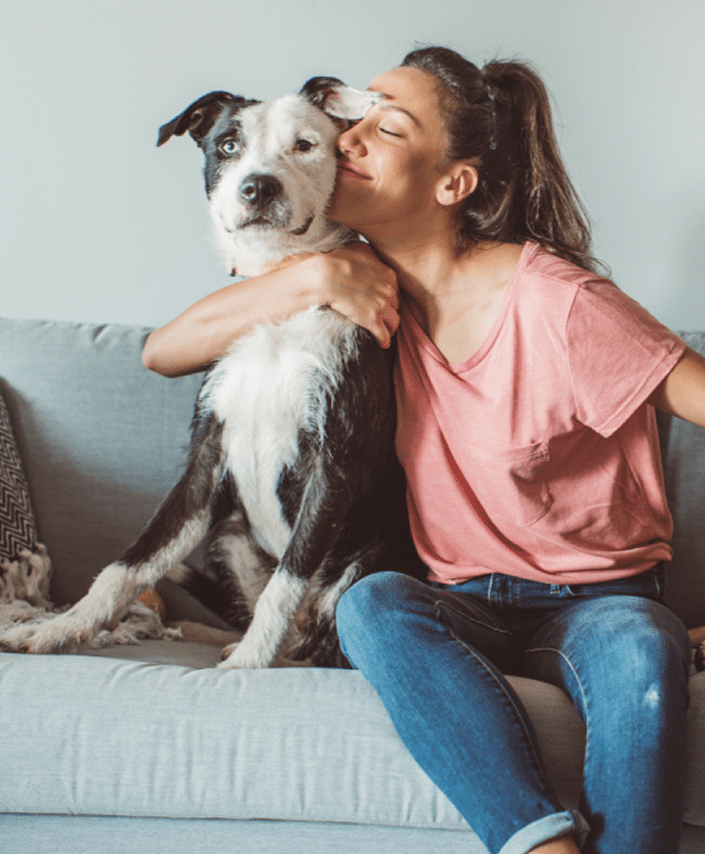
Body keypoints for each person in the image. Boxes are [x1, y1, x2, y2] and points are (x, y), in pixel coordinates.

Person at [143, 47, 705, 854]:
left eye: (387, 126)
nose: (351, 139)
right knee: (372, 604)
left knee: (640, 650)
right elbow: (164, 352)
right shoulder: (356, 285)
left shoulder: (557, 302)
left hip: (594, 598)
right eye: (356, 119)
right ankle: (541, 846)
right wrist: (311, 280)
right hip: (459, 598)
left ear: (453, 183)